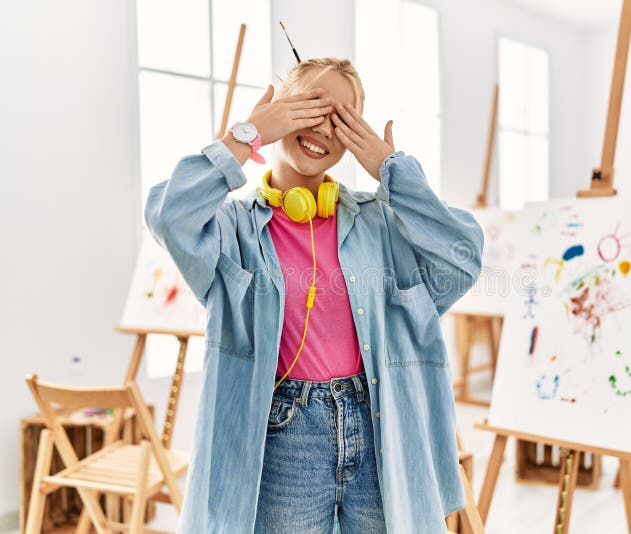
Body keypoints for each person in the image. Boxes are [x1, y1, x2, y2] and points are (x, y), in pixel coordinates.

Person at [145, 57, 484, 533]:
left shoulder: (379, 221)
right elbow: (168, 214)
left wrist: (391, 171)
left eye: (342, 118)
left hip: (379, 425)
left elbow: (463, 255)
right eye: (309, 107)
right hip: (285, 436)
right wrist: (245, 136)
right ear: (281, 110)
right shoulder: (233, 230)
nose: (323, 127)